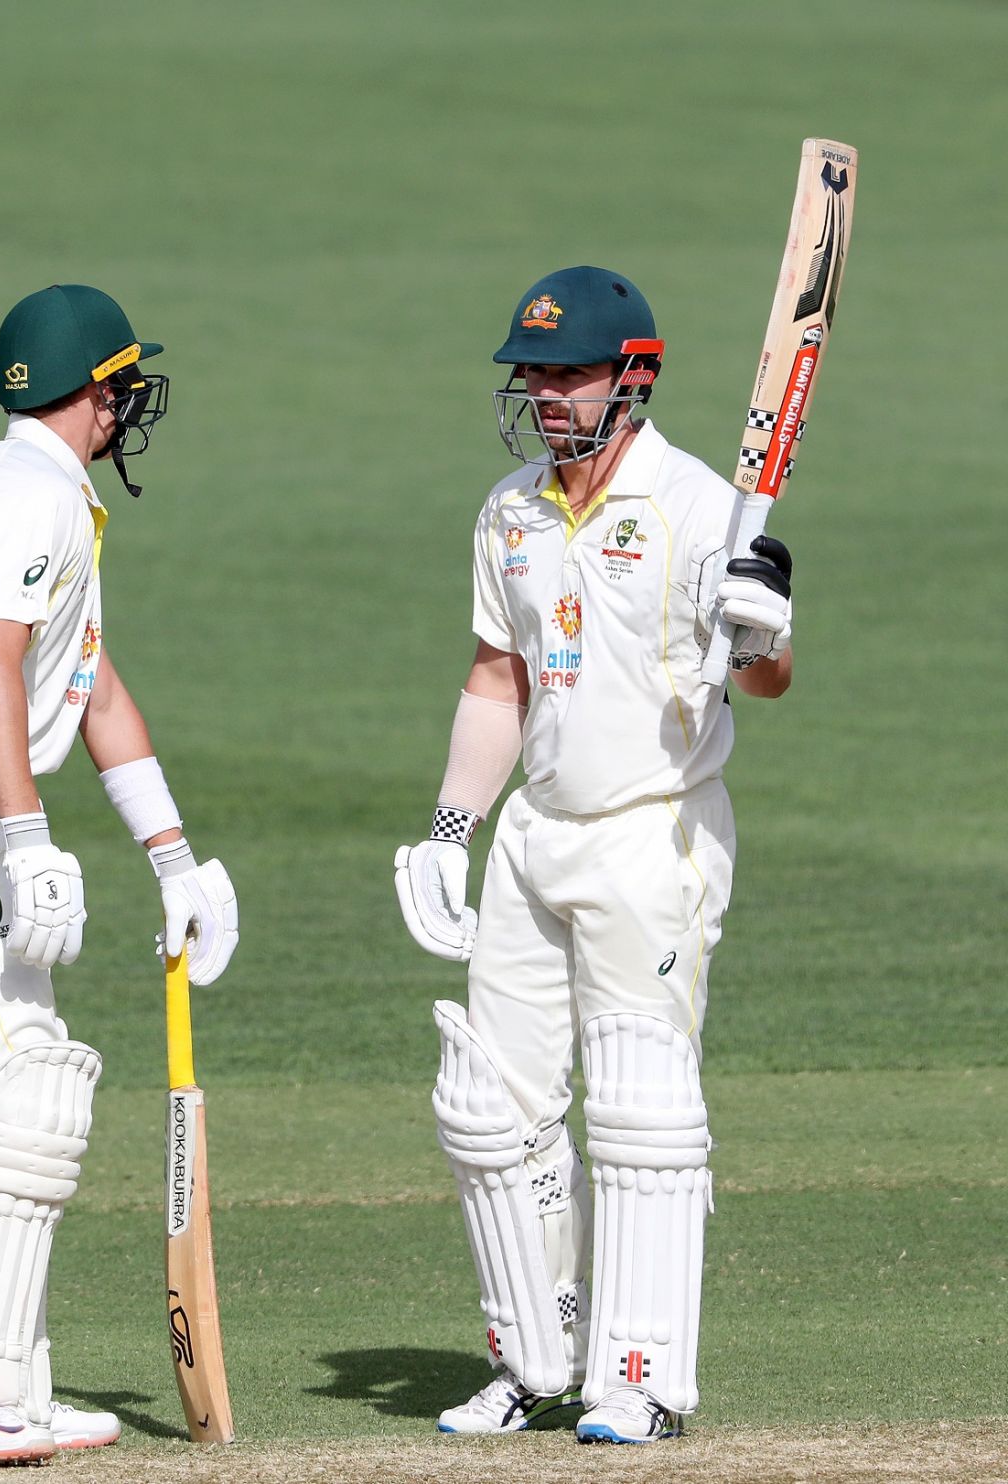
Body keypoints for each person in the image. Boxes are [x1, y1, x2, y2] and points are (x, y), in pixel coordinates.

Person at [394, 267, 793, 1445]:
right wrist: (451, 827)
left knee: (639, 1107)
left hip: (650, 832)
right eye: (532, 375)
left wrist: (764, 628)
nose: (543, 396)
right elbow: (494, 678)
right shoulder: (510, 509)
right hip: (532, 834)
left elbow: (763, 679)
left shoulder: (700, 510)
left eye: (565, 375)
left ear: (633, 376)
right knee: (491, 1105)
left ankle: (640, 1373)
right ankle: (529, 1357)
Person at [0, 284, 239, 1463]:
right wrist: (23, 835)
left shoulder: (18, 482)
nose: (131, 403)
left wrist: (172, 854)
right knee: (26, 1089)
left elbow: (92, 680)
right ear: (99, 390)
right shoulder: (34, 497)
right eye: (124, 382)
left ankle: (4, 1378)